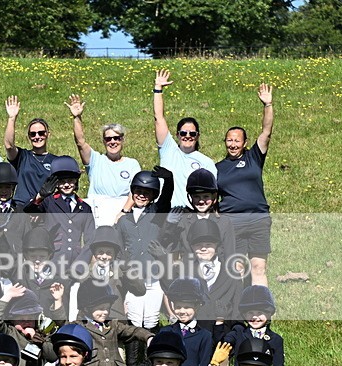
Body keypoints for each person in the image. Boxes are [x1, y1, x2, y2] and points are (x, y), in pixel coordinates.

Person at [216, 83, 275, 287]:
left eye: (237, 141)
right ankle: (235, 314)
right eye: (229, 140)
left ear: (245, 142)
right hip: (233, 222)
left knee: (258, 267)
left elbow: (266, 131)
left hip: (258, 218)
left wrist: (268, 105)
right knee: (236, 268)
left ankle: (261, 311)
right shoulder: (217, 168)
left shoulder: (254, 157)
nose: (233, 144)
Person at [65, 94, 142, 226]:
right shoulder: (95, 160)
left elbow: (136, 191)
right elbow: (80, 142)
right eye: (108, 139)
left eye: (116, 138)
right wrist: (77, 117)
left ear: (122, 140)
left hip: (124, 213)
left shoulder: (132, 164)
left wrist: (124, 212)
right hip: (99, 215)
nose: (112, 142)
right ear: (103, 141)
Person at [116, 168, 174, 332]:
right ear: (132, 192)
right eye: (138, 191)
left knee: (150, 318)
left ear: (154, 195)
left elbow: (166, 198)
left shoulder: (156, 213)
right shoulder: (124, 220)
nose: (142, 195)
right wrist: (123, 264)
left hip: (153, 276)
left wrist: (169, 181)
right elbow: (119, 246)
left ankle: (151, 356)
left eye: (147, 193)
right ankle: (134, 358)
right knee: (134, 318)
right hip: (134, 278)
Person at [153, 69, 217, 208]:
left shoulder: (206, 162)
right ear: (177, 135)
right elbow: (159, 118)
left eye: (192, 134)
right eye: (183, 133)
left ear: (198, 136)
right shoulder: (168, 150)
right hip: (165, 212)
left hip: (191, 215)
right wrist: (158, 89)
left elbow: (212, 194)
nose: (187, 136)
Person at [23, 156, 95, 265]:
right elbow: (29, 211)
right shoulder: (49, 202)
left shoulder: (84, 208)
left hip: (75, 261)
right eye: (62, 181)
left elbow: (90, 240)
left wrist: (81, 264)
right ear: (55, 182)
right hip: (52, 261)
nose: (66, 185)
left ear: (76, 181)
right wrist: (40, 196)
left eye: (70, 180)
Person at [4, 96, 58, 208]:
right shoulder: (22, 156)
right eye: (32, 134)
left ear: (48, 134)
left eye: (41, 133)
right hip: (22, 209)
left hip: (45, 210)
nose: (37, 137)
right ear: (29, 136)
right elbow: (9, 146)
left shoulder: (56, 161)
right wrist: (12, 118)